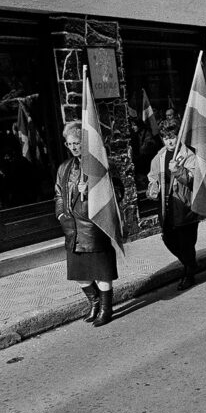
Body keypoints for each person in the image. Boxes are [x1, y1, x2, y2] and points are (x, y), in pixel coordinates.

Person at [55, 121, 119, 328]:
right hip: (72, 228)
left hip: (93, 227)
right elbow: (58, 194)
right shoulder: (64, 168)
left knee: (101, 272)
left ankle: (106, 308)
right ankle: (94, 303)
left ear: (85, 142)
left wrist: (92, 188)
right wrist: (61, 215)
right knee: (80, 275)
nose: (73, 147)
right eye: (70, 144)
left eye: (77, 143)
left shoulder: (101, 165)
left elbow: (117, 193)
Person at [147, 127, 200, 290]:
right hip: (167, 206)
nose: (169, 141)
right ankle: (191, 264)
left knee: (186, 242)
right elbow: (152, 177)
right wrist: (152, 187)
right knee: (169, 239)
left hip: (185, 205)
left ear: (179, 136)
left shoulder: (188, 155)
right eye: (165, 138)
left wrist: (177, 170)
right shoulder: (159, 156)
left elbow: (192, 179)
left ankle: (189, 274)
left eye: (172, 137)